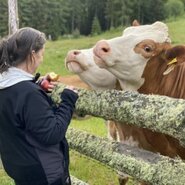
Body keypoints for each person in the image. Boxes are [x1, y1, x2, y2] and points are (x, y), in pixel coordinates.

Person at [0, 27, 78, 185]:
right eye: (42, 54)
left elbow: (20, 114)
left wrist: (37, 85)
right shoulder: (28, 94)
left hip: (21, 170)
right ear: (32, 54)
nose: (42, 59)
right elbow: (52, 134)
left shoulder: (6, 85)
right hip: (44, 174)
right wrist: (68, 101)